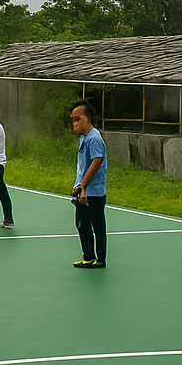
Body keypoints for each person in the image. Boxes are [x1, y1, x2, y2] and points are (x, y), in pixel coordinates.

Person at [70, 101, 107, 267]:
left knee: (97, 227)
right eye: (73, 120)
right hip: (82, 192)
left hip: (94, 193)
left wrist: (84, 186)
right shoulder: (84, 139)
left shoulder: (94, 138)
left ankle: (100, 259)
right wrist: (78, 186)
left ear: (88, 118)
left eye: (78, 119)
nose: (75, 123)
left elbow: (97, 161)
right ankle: (88, 257)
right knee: (82, 225)